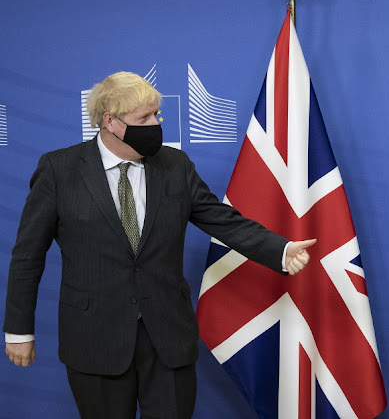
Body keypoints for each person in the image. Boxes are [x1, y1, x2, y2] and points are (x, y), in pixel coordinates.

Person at [3, 71, 316, 418]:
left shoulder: (175, 166)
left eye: (156, 115)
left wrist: (280, 250)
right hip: (95, 339)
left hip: (168, 338)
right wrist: (19, 329)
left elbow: (223, 220)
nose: (155, 124)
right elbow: (27, 255)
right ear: (111, 122)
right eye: (144, 118)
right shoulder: (58, 170)